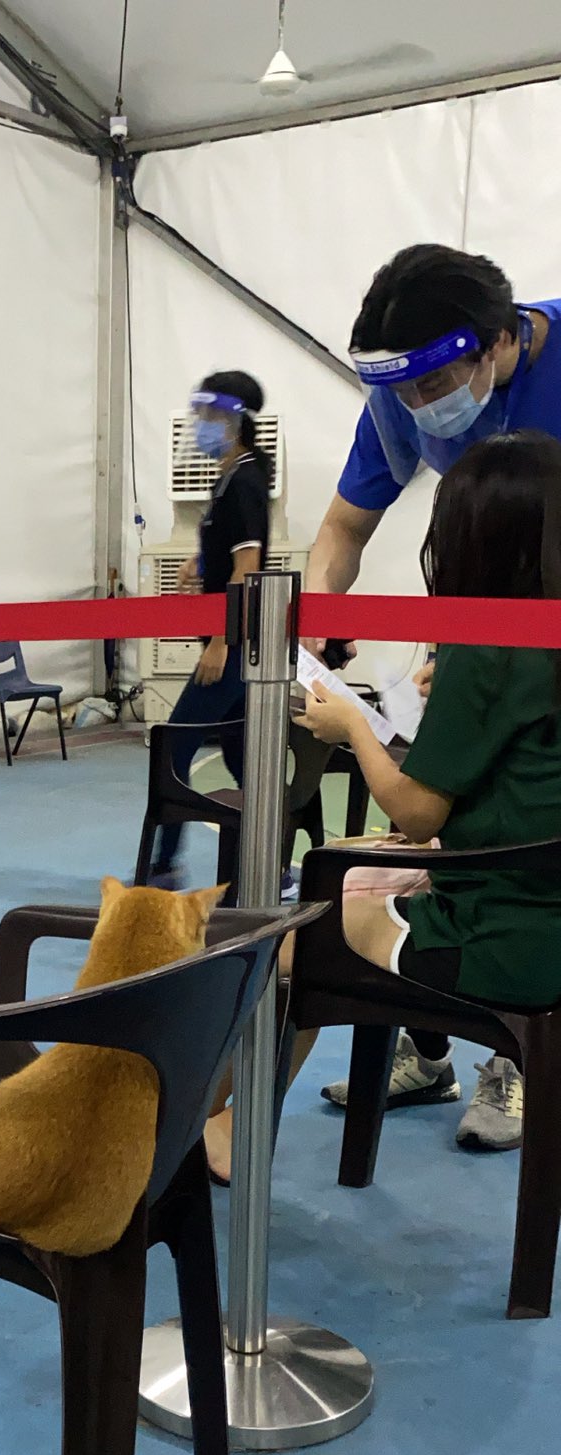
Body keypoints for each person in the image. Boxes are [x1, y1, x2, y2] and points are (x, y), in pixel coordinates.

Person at [307, 244, 561, 1144]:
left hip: (526, 654)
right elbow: (343, 529)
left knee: (478, 842)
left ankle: (514, 1054)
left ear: (499, 345)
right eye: (404, 393)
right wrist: (302, 636)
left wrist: (504, 661)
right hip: (497, 648)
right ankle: (433, 1035)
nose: (421, 409)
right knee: (431, 841)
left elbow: (415, 810)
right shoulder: (401, 391)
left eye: (437, 385)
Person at [150, 373, 270, 884]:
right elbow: (229, 553)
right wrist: (201, 561)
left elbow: (250, 566)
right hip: (235, 647)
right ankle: (272, 863)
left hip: (234, 649)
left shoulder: (244, 478)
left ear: (232, 420)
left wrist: (220, 641)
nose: (200, 427)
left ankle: (161, 868)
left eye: (208, 417)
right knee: (246, 764)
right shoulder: (227, 479)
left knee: (173, 751)